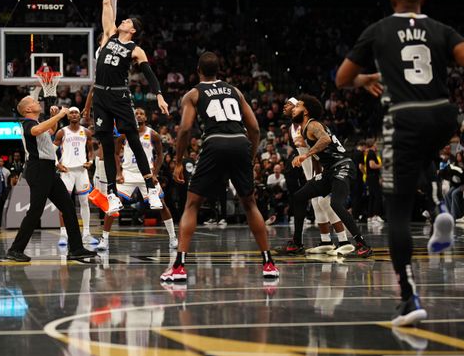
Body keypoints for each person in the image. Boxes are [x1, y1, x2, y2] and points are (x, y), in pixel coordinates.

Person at [336, 0, 464, 326]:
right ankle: (438, 202)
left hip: (405, 117)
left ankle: (409, 298)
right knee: (425, 154)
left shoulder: (378, 30)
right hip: (442, 114)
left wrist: (364, 80)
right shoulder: (441, 29)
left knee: (396, 207)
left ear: (392, 0)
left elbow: (342, 78)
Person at [162, 52, 278, 283]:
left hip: (214, 142)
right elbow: (254, 128)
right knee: (249, 203)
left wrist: (177, 162)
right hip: (240, 142)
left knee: (192, 204)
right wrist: (251, 156)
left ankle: (179, 266)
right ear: (219, 70)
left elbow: (185, 129)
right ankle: (269, 263)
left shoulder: (194, 93)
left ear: (198, 70)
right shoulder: (235, 91)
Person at [93, 0, 170, 216]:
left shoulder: (135, 49)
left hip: (119, 95)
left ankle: (150, 186)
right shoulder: (108, 35)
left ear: (133, 29)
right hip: (101, 95)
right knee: (105, 143)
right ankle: (112, 194)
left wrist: (159, 94)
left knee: (134, 140)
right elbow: (106, 5)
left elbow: (149, 73)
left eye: (126, 20)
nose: (122, 20)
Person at [5, 96, 97, 262]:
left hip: (48, 169)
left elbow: (50, 131)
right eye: (33, 102)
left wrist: (53, 118)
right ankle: (15, 249)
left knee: (68, 206)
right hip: (38, 169)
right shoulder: (27, 123)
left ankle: (76, 248)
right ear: (27, 110)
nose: (37, 103)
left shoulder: (39, 124)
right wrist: (59, 115)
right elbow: (37, 131)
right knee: (35, 211)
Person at [285, 96, 372, 258]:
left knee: (335, 203)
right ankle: (297, 243)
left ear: (306, 111)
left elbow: (325, 139)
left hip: (343, 166)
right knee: (299, 197)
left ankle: (362, 243)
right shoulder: (303, 128)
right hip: (329, 171)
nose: (294, 109)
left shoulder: (313, 124)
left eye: (297, 106)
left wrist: (305, 156)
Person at [100, 108, 177, 252]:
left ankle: (173, 237)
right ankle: (104, 239)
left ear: (146, 117)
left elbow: (160, 155)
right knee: (113, 206)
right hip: (128, 173)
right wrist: (119, 173)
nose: (139, 115)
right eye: (136, 114)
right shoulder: (124, 135)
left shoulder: (152, 134)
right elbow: (116, 154)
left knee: (162, 205)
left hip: (146, 175)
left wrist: (154, 174)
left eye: (141, 113)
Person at [53, 106, 97, 246]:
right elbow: (51, 150)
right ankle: (63, 234)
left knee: (84, 202)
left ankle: (86, 234)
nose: (73, 115)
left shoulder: (87, 132)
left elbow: (91, 150)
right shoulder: (62, 132)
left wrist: (90, 161)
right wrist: (56, 164)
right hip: (67, 172)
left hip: (82, 171)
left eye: (76, 112)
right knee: (63, 204)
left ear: (80, 116)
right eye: (71, 113)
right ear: (68, 116)